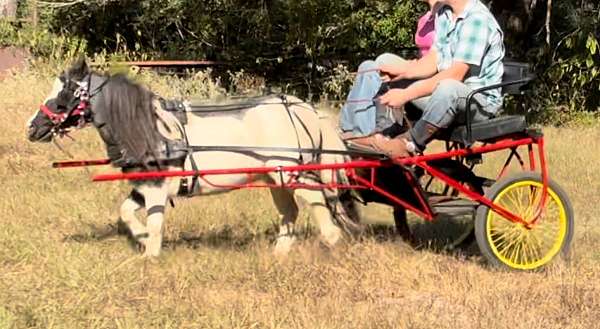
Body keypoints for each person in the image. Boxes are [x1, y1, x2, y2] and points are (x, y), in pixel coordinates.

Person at [359, 0, 506, 158]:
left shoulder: (477, 20)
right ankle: (380, 133)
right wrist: (401, 72)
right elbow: (434, 60)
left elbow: (455, 74)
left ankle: (410, 143)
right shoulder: (445, 14)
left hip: (477, 102)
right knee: (384, 61)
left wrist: (406, 94)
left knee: (448, 87)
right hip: (445, 95)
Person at [339, 0, 438, 138]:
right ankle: (350, 128)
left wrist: (404, 69)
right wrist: (408, 65)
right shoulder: (424, 19)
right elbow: (423, 55)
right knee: (367, 66)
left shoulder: (447, 16)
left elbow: (441, 60)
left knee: (383, 60)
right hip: (419, 71)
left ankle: (363, 133)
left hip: (436, 79)